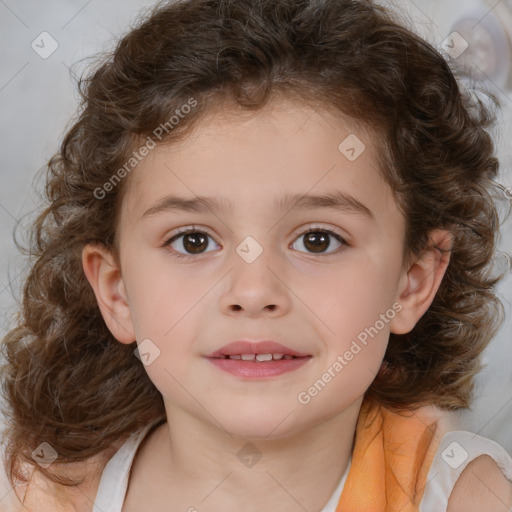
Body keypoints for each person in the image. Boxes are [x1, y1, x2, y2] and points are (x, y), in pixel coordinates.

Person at [1, 0, 512, 510]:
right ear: (116, 292)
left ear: (412, 282)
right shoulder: (34, 493)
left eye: (318, 240)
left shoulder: (465, 496)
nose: (253, 292)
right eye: (193, 241)